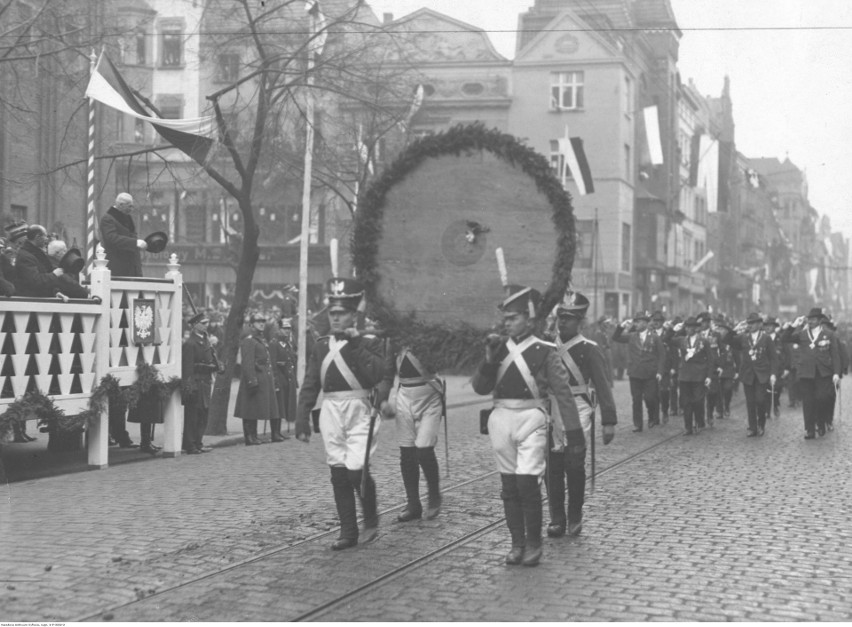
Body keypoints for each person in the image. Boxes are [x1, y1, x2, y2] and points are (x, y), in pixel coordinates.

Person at [472, 285, 582, 567]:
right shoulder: (496, 348)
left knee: (527, 483)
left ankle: (534, 543)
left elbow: (563, 394)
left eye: (514, 317)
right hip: (500, 420)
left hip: (532, 419)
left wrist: (574, 436)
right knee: (509, 486)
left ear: (529, 319)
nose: (507, 322)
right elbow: (480, 388)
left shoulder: (545, 350)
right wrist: (487, 360)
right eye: (506, 317)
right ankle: (517, 543)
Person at [295, 278, 389, 551]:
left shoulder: (369, 342)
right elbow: (312, 382)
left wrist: (357, 344)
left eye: (341, 314)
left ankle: (370, 518)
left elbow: (376, 374)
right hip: (331, 410)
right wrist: (301, 418)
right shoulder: (321, 345)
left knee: (355, 470)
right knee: (338, 473)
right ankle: (348, 531)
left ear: (353, 315)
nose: (335, 318)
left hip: (361, 409)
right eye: (332, 313)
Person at [546, 291, 616, 539]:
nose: (563, 322)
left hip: (580, 408)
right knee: (552, 467)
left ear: (580, 323)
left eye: (570, 318)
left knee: (574, 465)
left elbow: (603, 385)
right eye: (561, 317)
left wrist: (609, 421)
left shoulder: (590, 349)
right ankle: (557, 519)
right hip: (552, 409)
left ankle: (575, 515)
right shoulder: (545, 346)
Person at [380, 334, 444, 523]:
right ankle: (413, 504)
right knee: (407, 452)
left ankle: (434, 496)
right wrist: (382, 399)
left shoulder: (428, 334)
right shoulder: (393, 339)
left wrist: (420, 342)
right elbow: (387, 374)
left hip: (430, 394)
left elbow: (437, 363)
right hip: (404, 396)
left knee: (424, 449)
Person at [780, 309, 841, 439]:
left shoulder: (829, 334)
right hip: (806, 373)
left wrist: (836, 373)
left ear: (820, 320)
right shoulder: (801, 334)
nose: (810, 321)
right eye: (809, 319)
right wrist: (793, 325)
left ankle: (820, 422)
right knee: (808, 402)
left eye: (813, 319)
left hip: (823, 373)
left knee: (822, 398)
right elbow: (784, 338)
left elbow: (835, 355)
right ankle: (809, 429)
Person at [721, 312, 778, 437]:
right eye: (749, 323)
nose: (750, 325)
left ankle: (761, 424)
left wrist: (773, 374)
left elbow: (773, 358)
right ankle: (752, 427)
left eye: (753, 323)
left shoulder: (766, 338)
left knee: (760, 400)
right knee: (750, 402)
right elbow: (726, 340)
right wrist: (734, 330)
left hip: (762, 374)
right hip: (747, 374)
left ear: (759, 324)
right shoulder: (743, 337)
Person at [612, 310, 665, 432]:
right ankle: (638, 424)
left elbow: (662, 356)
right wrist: (621, 327)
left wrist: (660, 372)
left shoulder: (655, 338)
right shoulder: (631, 336)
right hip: (635, 372)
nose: (636, 324)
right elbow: (616, 337)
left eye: (639, 321)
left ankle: (652, 416)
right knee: (636, 400)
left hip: (650, 374)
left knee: (650, 398)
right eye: (635, 322)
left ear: (646, 323)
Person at [235, 313, 279, 445]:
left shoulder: (260, 339)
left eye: (263, 321)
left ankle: (253, 436)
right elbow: (247, 362)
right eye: (258, 321)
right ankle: (249, 436)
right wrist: (251, 380)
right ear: (251, 324)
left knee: (253, 408)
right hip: (254, 378)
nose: (261, 323)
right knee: (249, 408)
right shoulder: (249, 340)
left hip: (263, 377)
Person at [181, 312, 219, 454]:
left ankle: (198, 441)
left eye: (207, 323)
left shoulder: (206, 341)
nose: (206, 326)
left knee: (203, 414)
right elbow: (187, 368)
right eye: (203, 323)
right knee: (193, 415)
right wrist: (189, 386)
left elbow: (211, 359)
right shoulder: (190, 343)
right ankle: (190, 444)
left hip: (206, 382)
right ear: (195, 325)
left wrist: (216, 365)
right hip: (196, 382)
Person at [667, 317, 713, 435]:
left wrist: (709, 376)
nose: (688, 329)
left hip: (699, 376)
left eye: (691, 327)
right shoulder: (681, 340)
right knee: (686, 402)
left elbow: (710, 360)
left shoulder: (704, 341)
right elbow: (667, 339)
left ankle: (699, 421)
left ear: (696, 328)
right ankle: (688, 427)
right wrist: (673, 329)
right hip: (685, 376)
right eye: (686, 327)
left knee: (698, 401)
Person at [99, 192, 147, 277]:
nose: (132, 209)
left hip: (132, 267)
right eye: (129, 206)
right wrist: (135, 243)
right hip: (118, 267)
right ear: (121, 205)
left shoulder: (127, 217)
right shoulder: (108, 219)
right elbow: (111, 238)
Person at [12, 225, 64, 297]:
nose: (46, 239)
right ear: (37, 237)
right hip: (29, 302)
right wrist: (54, 275)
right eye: (45, 236)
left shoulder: (34, 253)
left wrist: (55, 292)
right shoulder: (26, 256)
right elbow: (35, 281)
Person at [268, 318, 298, 441]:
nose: (287, 331)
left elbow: (292, 361)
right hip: (279, 377)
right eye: (284, 329)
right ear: (279, 329)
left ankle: (279, 432)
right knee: (277, 406)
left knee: (284, 405)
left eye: (288, 329)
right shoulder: (274, 343)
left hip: (287, 378)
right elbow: (272, 363)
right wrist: (275, 380)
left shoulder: (287, 344)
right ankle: (274, 433)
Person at [713, 317, 739, 418]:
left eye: (723, 329)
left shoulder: (731, 342)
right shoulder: (714, 341)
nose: (720, 331)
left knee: (727, 389)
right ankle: (719, 410)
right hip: (716, 369)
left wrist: (738, 370)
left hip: (728, 370)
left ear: (727, 331)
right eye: (719, 329)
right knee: (717, 390)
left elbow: (737, 356)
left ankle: (727, 405)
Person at [763, 316, 788, 418]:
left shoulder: (780, 338)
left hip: (779, 368)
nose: (768, 328)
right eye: (766, 326)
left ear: (774, 327)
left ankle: (776, 404)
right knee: (766, 390)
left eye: (770, 326)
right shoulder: (762, 338)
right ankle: (767, 410)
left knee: (777, 388)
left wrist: (787, 368)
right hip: (765, 368)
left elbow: (787, 353)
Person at [650, 311, 672, 423]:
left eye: (658, 321)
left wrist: (673, 366)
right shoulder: (649, 333)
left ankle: (665, 411)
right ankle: (655, 416)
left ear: (663, 322)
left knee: (664, 391)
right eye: (654, 321)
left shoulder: (668, 333)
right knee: (653, 392)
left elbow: (672, 351)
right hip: (652, 366)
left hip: (665, 367)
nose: (656, 323)